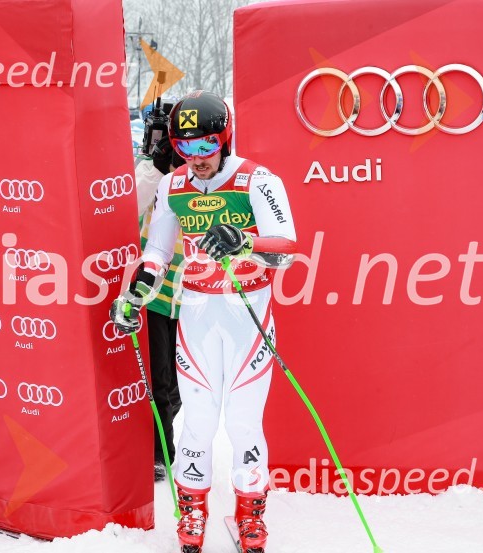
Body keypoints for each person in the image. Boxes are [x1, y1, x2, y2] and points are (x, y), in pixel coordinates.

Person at [111, 90, 297, 553]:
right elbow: (156, 252)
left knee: (243, 423)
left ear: (225, 139)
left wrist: (245, 242)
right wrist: (138, 289)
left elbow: (287, 250)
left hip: (246, 317)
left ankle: (250, 513)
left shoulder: (259, 180)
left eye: (205, 146)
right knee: (195, 422)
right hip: (194, 315)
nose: (196, 159)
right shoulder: (173, 187)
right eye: (184, 147)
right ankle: (192, 510)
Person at [134, 135, 185, 482]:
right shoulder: (154, 177)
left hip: (193, 295)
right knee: (159, 379)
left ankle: (158, 442)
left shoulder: (207, 176)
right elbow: (130, 204)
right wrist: (154, 164)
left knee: (180, 385)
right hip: (153, 292)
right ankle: (158, 451)